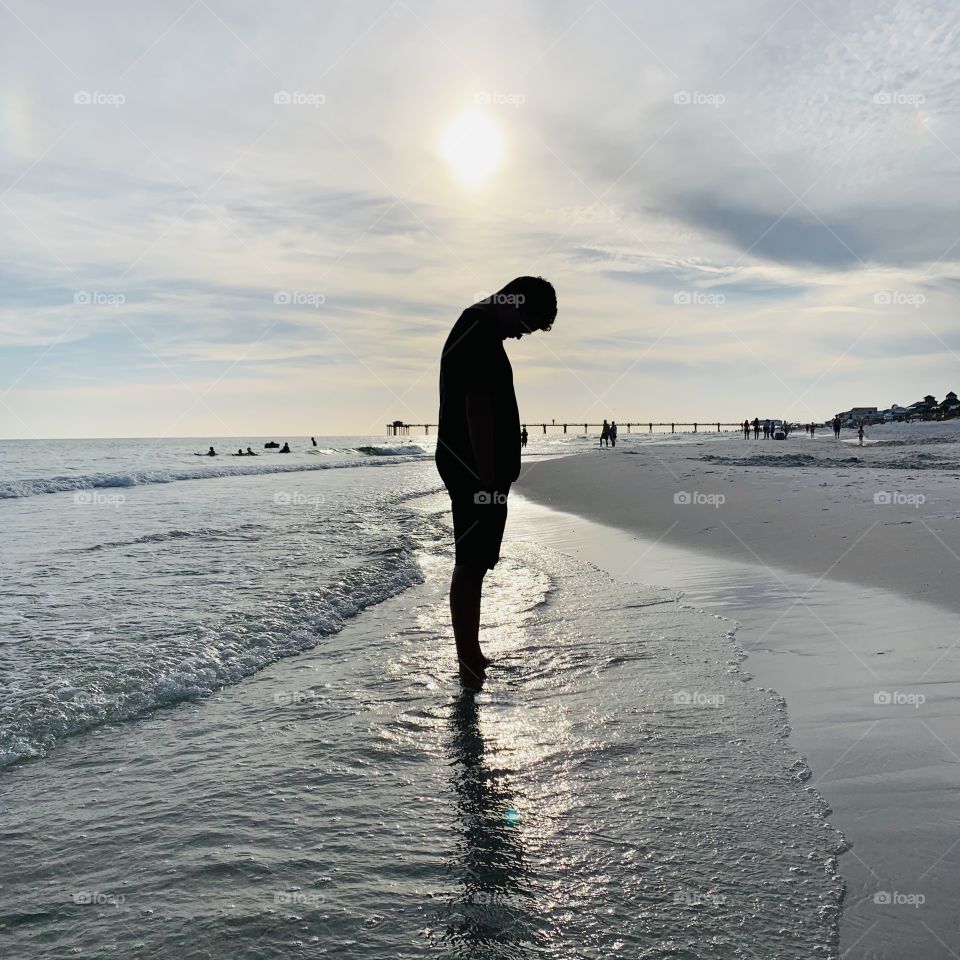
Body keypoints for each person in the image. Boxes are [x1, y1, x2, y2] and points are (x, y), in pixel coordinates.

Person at [435, 276, 557, 688]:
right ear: (514, 302)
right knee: (471, 563)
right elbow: (477, 410)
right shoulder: (479, 333)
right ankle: (468, 662)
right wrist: (488, 479)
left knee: (477, 561)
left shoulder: (477, 330)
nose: (523, 334)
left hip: (474, 470)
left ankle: (472, 654)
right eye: (528, 323)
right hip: (474, 472)